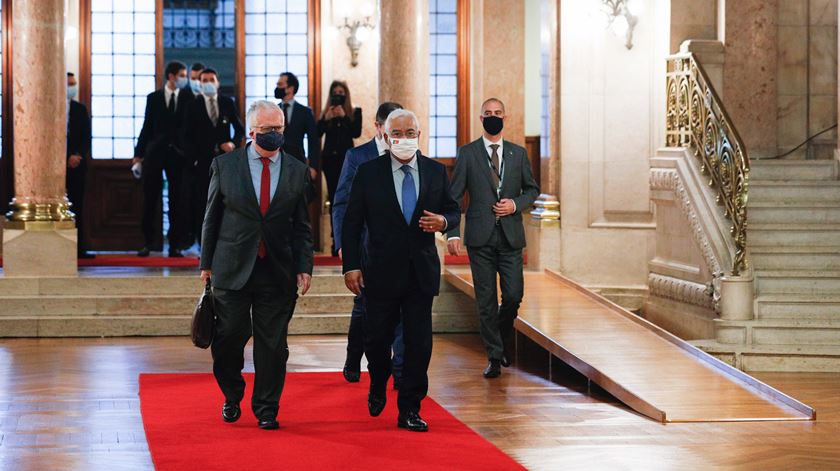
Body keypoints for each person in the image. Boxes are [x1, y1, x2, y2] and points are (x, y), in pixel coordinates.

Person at [342, 109, 460, 432]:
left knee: (419, 344)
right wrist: (350, 265)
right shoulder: (368, 173)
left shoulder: (436, 172)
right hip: (379, 272)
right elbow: (352, 224)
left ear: (419, 136)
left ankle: (410, 406)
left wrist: (446, 224)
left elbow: (451, 208)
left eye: (411, 133)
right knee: (377, 340)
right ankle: (378, 380)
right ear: (385, 136)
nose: (405, 139)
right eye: (398, 133)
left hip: (420, 273)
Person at [200, 100, 314, 430]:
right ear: (252, 131)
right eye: (267, 130)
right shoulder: (225, 165)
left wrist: (304, 265)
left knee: (273, 344)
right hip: (232, 266)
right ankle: (232, 394)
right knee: (229, 338)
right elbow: (212, 218)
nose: (274, 135)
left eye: (279, 129)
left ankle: (266, 407)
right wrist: (206, 263)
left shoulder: (296, 169)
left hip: (277, 269)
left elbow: (302, 225)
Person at [446, 98, 540, 378]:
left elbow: (532, 190)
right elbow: (454, 197)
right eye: (488, 114)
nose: (493, 117)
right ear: (480, 119)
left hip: (510, 237)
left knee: (513, 295)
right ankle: (494, 357)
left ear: (505, 117)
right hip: (480, 238)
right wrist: (452, 232)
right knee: (485, 299)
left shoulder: (518, 154)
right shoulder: (467, 153)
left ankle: (501, 335)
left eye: (497, 113)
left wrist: (515, 204)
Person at [332, 101, 405, 387]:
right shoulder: (357, 156)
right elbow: (341, 202)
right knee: (364, 305)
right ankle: (353, 358)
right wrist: (342, 243)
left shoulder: (408, 154)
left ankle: (398, 369)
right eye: (391, 129)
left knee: (400, 308)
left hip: (398, 247)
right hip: (364, 244)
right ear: (378, 127)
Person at [133, 61, 195, 257]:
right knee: (150, 197)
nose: (184, 79)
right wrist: (138, 154)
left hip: (179, 155)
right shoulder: (154, 98)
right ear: (171, 76)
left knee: (177, 200)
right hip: (155, 153)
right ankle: (148, 242)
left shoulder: (189, 98)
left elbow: (192, 129)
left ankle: (175, 244)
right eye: (182, 75)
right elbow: (146, 127)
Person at [183, 67, 245, 247]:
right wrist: (193, 158)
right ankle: (203, 244)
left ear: (217, 83)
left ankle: (223, 242)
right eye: (204, 80)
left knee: (224, 202)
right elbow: (187, 136)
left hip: (224, 162)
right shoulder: (192, 105)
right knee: (202, 203)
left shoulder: (227, 102)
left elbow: (239, 128)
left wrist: (233, 143)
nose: (208, 83)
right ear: (199, 84)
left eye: (212, 79)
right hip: (201, 163)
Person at [318, 80, 362, 238]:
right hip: (329, 160)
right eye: (335, 93)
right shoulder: (326, 113)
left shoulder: (355, 111)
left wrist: (344, 117)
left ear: (346, 95)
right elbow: (317, 133)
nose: (338, 96)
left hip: (347, 161)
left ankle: (348, 233)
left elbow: (356, 132)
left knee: (348, 196)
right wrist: (326, 119)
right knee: (333, 196)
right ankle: (335, 235)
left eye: (341, 93)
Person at [66, 72, 92, 259]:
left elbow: (86, 137)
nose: (72, 87)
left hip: (77, 165)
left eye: (74, 83)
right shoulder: (50, 107)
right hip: (55, 166)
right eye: (69, 84)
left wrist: (77, 155)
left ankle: (79, 248)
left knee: (77, 205)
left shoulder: (80, 109)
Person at [275, 72, 319, 180]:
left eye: (280, 84)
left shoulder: (305, 112)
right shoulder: (273, 111)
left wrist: (313, 166)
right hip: (275, 162)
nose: (277, 88)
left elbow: (313, 141)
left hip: (298, 161)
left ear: (290, 88)